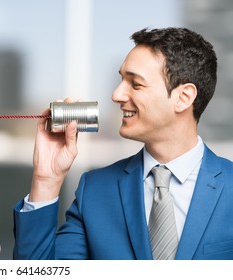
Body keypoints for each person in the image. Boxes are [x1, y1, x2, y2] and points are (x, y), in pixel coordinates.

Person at [13, 27, 233, 260]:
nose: (116, 95)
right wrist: (46, 181)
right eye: (121, 80)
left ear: (184, 97)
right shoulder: (95, 191)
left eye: (135, 84)